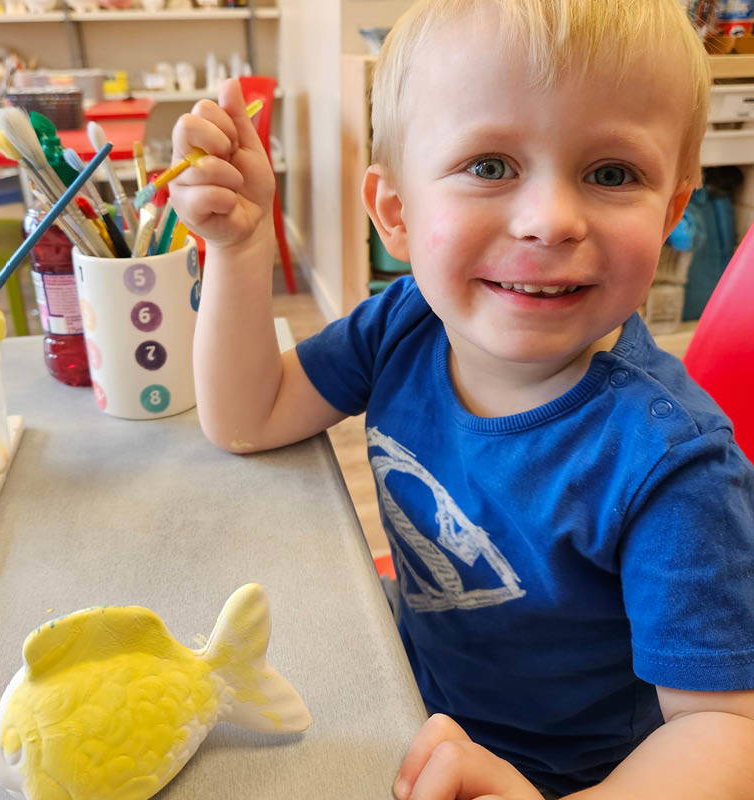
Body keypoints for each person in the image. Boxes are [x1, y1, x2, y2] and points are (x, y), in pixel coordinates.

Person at [168, 0, 754, 796]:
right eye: (490, 165)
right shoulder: (406, 323)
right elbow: (248, 418)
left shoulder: (674, 469)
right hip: (409, 697)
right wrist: (238, 248)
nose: (551, 220)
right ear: (397, 215)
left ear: (672, 211)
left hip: (569, 776)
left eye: (612, 174)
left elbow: (721, 728)